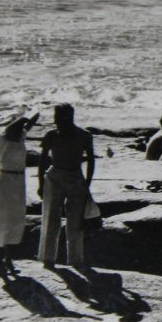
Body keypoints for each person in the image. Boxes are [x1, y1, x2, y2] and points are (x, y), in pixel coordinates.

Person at [0, 111, 37, 273]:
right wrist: (1, 123)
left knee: (17, 219)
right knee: (3, 219)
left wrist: (27, 115)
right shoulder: (1, 139)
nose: (23, 128)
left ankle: (9, 260)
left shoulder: (21, 136)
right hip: (5, 180)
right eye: (19, 126)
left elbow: (35, 117)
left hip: (18, 181)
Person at [37, 104, 95, 269]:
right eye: (55, 117)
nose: (55, 120)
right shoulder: (51, 135)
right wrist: (41, 184)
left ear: (68, 117)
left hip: (76, 177)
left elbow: (91, 160)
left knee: (75, 221)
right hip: (54, 176)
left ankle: (75, 259)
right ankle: (48, 259)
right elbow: (42, 160)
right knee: (50, 219)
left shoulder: (84, 135)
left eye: (58, 117)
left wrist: (87, 184)